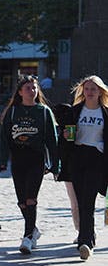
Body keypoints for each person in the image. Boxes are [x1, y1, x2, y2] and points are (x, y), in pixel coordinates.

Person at [0, 74, 59, 255]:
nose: (31, 91)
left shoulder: (44, 111)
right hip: (18, 159)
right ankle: (33, 229)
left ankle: (27, 238)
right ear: (20, 92)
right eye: (27, 88)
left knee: (31, 198)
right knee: (22, 202)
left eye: (34, 88)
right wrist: (2, 161)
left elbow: (52, 140)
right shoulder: (13, 111)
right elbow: (4, 139)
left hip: (36, 159)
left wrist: (56, 165)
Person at [64, 75, 108, 260]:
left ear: (100, 92)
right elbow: (66, 136)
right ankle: (88, 237)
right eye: (87, 89)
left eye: (93, 89)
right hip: (78, 157)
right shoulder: (75, 111)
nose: (90, 92)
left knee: (88, 201)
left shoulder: (105, 113)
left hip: (96, 158)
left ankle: (85, 242)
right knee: (81, 201)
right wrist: (65, 135)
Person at [53, 102, 80, 242]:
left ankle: (84, 231)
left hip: (75, 168)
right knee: (75, 203)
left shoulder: (69, 127)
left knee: (77, 203)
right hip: (68, 169)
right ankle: (81, 231)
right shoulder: (61, 128)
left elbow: (69, 145)